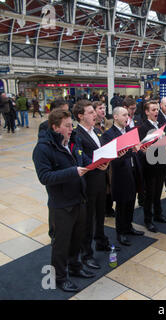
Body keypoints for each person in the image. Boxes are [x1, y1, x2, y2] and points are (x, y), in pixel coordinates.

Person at [32, 109, 96, 292]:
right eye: (67, 126)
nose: (71, 128)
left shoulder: (73, 141)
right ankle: (59, 277)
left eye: (71, 125)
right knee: (61, 244)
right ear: (55, 127)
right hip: (61, 205)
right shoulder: (43, 148)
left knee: (77, 238)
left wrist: (97, 163)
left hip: (79, 199)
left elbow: (83, 159)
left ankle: (75, 267)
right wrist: (73, 171)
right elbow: (45, 177)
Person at [73, 100, 113, 268]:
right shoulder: (77, 135)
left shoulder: (96, 131)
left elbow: (101, 150)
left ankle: (101, 240)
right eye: (90, 112)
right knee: (88, 219)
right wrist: (98, 163)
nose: (95, 114)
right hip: (89, 182)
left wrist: (108, 159)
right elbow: (81, 158)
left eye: (93, 111)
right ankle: (86, 253)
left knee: (100, 213)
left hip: (100, 179)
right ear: (81, 116)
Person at [101, 107, 145, 246]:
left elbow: (134, 151)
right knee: (121, 203)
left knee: (132, 200)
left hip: (133, 169)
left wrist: (139, 149)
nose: (128, 117)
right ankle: (121, 232)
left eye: (128, 115)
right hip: (119, 172)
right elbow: (112, 156)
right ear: (115, 117)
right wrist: (131, 152)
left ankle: (129, 226)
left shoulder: (130, 131)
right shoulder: (109, 135)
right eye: (124, 115)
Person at [138, 101, 166, 233]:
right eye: (153, 110)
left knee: (158, 192)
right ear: (147, 112)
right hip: (150, 166)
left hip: (161, 164)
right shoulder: (143, 127)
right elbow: (143, 148)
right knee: (150, 194)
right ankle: (148, 220)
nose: (156, 112)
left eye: (157, 110)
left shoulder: (161, 125)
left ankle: (158, 214)